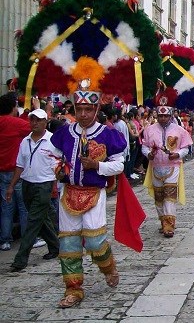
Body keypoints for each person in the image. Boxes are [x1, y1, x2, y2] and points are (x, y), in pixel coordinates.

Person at [50, 81, 127, 308]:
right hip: (69, 193)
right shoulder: (65, 132)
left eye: (88, 110)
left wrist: (96, 166)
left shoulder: (107, 134)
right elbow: (53, 155)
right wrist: (58, 168)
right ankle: (73, 288)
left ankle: (108, 266)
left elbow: (119, 165)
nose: (83, 114)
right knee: (69, 243)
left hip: (94, 192)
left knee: (94, 240)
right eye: (79, 109)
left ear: (96, 110)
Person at [6, 109, 60, 271]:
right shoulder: (25, 141)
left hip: (44, 185)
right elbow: (19, 165)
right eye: (32, 120)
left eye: (38, 120)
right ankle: (55, 246)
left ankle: (20, 259)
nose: (34, 123)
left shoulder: (52, 141)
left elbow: (58, 165)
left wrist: (54, 184)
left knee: (32, 222)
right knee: (40, 218)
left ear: (45, 122)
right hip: (27, 184)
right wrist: (11, 186)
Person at [141, 98, 192, 238]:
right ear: (157, 115)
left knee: (169, 196)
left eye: (166, 116)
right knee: (159, 197)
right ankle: (163, 221)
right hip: (156, 167)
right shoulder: (149, 130)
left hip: (172, 167)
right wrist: (148, 154)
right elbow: (144, 146)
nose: (163, 118)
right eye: (160, 115)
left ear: (171, 116)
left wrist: (177, 154)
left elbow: (185, 148)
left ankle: (169, 225)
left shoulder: (180, 130)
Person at [0, 93, 32, 251]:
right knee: (23, 205)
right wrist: (29, 112)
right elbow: (34, 127)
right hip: (16, 171)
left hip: (2, 171)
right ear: (13, 107)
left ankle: (5, 240)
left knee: (6, 206)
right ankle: (27, 238)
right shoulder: (16, 123)